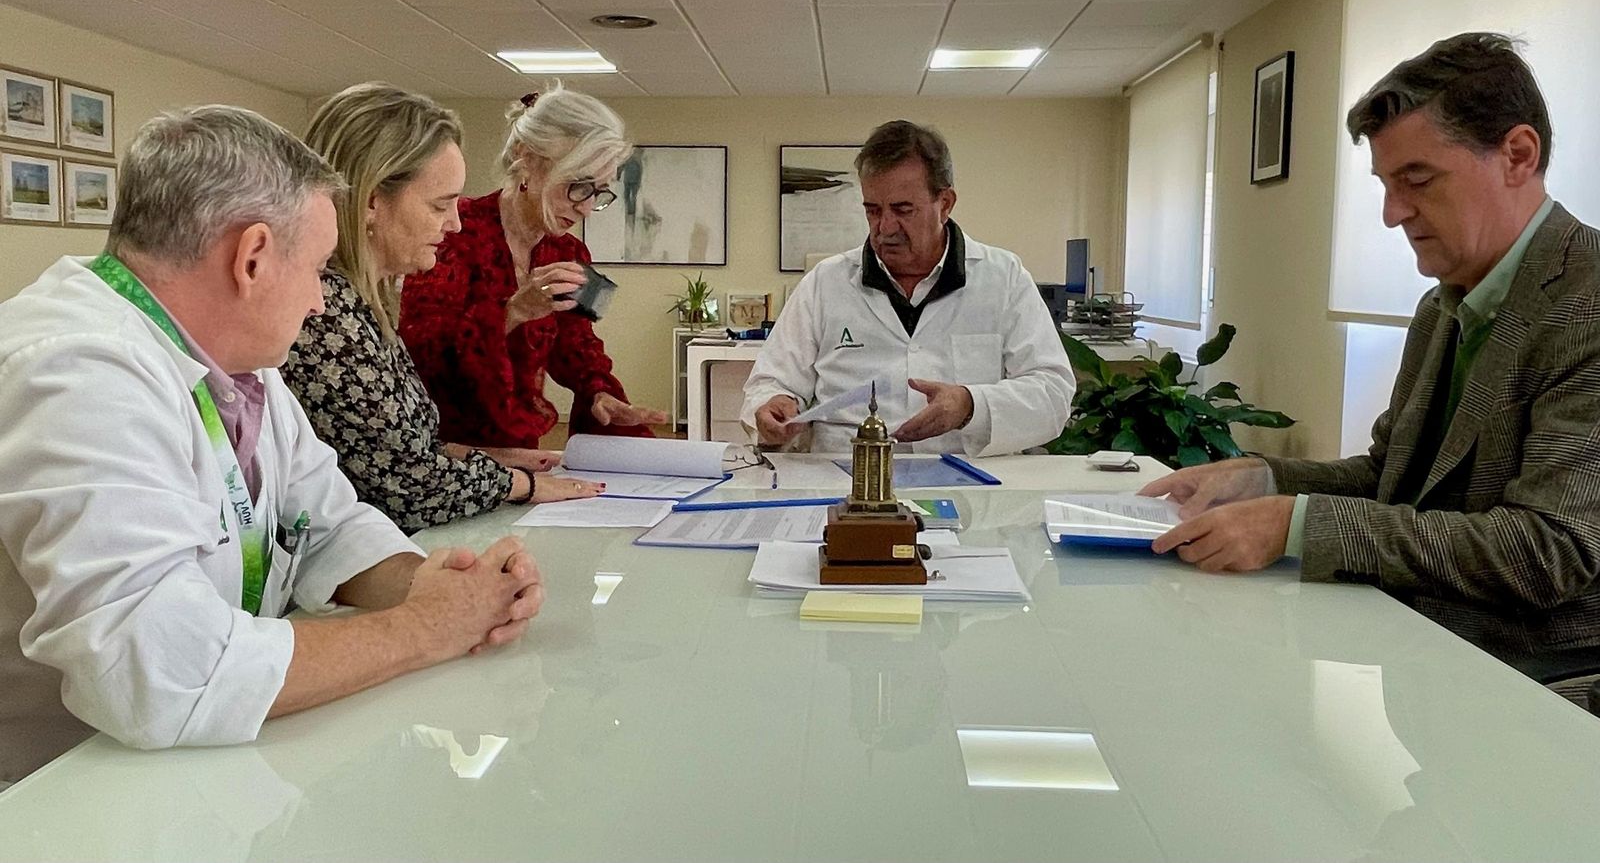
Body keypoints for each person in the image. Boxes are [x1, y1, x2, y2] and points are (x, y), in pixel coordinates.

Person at [0, 106, 545, 785]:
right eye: (316, 268)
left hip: (182, 766)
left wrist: (436, 586)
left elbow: (329, 522)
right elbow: (158, 667)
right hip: (51, 790)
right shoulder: (75, 371)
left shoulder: (237, 362)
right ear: (252, 257)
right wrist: (426, 627)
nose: (320, 302)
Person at [1142, 32, 1600, 662]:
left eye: (1418, 179)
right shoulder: (1441, 308)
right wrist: (1264, 479)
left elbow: (1550, 550)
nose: (1392, 213)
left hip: (1544, 687)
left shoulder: (1587, 303)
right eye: (1386, 184)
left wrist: (1296, 525)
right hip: (1414, 653)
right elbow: (1391, 477)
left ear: (1518, 155)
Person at [282, 83, 600, 532]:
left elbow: (401, 444)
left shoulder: (367, 302)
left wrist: (487, 457)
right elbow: (408, 486)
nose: (454, 224)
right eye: (439, 206)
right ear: (372, 199)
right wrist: (520, 483)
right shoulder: (326, 316)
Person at [743, 119, 1074, 455]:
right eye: (873, 211)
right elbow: (770, 382)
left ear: (945, 204)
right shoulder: (825, 283)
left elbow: (1053, 393)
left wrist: (971, 405)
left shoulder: (1003, 278)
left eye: (903, 210)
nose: (885, 227)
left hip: (967, 475)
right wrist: (773, 404)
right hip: (844, 474)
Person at [399, 86, 667, 449]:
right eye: (578, 186)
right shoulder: (453, 232)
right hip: (441, 449)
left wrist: (599, 392)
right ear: (527, 160)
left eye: (598, 192)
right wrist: (512, 312)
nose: (586, 208)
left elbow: (577, 343)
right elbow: (420, 355)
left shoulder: (569, 252)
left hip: (521, 448)